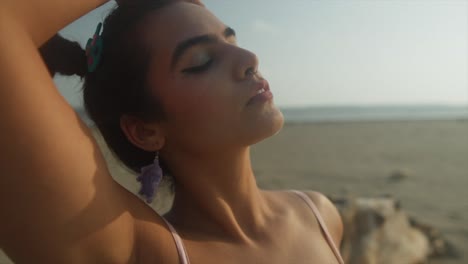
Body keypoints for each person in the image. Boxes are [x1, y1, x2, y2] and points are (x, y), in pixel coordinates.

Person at [0, 0, 344, 263]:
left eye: (232, 40)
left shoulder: (319, 215)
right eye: (201, 62)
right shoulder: (138, 252)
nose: (249, 58)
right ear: (145, 130)